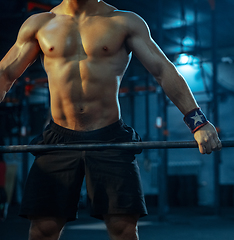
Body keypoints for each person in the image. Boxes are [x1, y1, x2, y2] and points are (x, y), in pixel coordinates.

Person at [0, 0, 222, 239]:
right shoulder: (39, 24)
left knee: (123, 229)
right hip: (59, 138)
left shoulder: (124, 22)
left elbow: (163, 70)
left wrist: (197, 121)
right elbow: (5, 74)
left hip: (109, 135)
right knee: (43, 229)